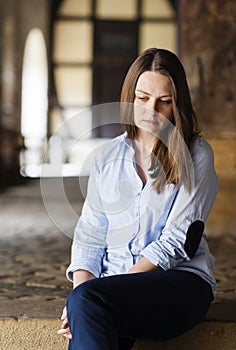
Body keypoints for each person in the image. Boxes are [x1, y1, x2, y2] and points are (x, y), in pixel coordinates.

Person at [58, 48, 218, 350]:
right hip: (113, 291)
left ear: (178, 103)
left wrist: (98, 293)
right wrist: (80, 298)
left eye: (164, 101)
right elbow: (90, 236)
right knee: (88, 306)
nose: (151, 110)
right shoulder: (107, 156)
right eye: (142, 98)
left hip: (179, 285)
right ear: (130, 97)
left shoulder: (197, 155)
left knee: (90, 303)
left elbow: (177, 242)